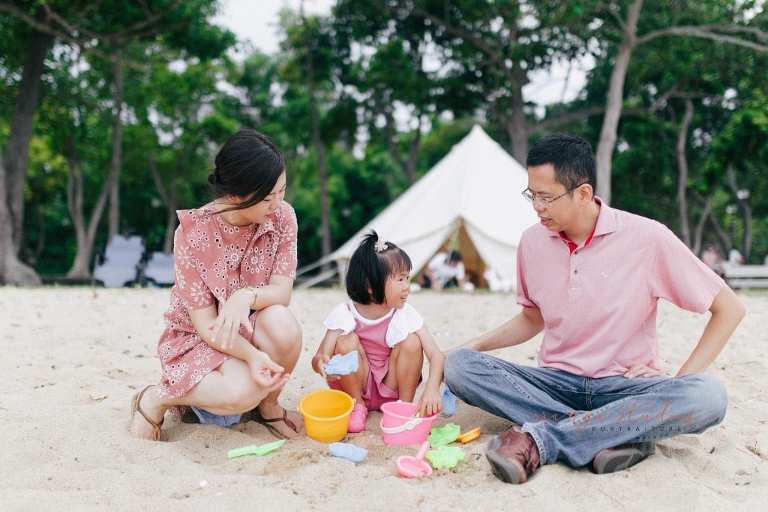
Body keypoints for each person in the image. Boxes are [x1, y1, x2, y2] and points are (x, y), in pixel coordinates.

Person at [443, 134, 746, 483]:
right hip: (554, 382)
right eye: (532, 195)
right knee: (461, 366)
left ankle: (547, 439)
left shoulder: (647, 238)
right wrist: (470, 347)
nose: (537, 207)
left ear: (583, 193)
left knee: (708, 396)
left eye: (546, 197)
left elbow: (729, 309)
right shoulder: (531, 242)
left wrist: (678, 379)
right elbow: (532, 318)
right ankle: (613, 433)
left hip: (624, 385)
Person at [130, 129, 303, 441]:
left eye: (282, 191)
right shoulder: (192, 234)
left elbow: (282, 292)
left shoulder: (283, 218)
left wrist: (243, 297)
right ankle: (157, 397)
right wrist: (252, 357)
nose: (277, 204)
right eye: (267, 197)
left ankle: (269, 408)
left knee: (283, 324)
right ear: (235, 196)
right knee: (240, 395)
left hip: (251, 324)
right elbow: (207, 325)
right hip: (201, 338)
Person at [311, 231, 445, 432]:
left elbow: (436, 355)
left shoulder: (405, 313)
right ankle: (358, 406)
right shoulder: (345, 313)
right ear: (370, 285)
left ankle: (403, 406)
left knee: (412, 341)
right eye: (400, 280)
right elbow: (320, 356)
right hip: (357, 384)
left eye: (408, 278)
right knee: (345, 341)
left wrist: (432, 388)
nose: (407, 287)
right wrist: (323, 365)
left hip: (389, 386)